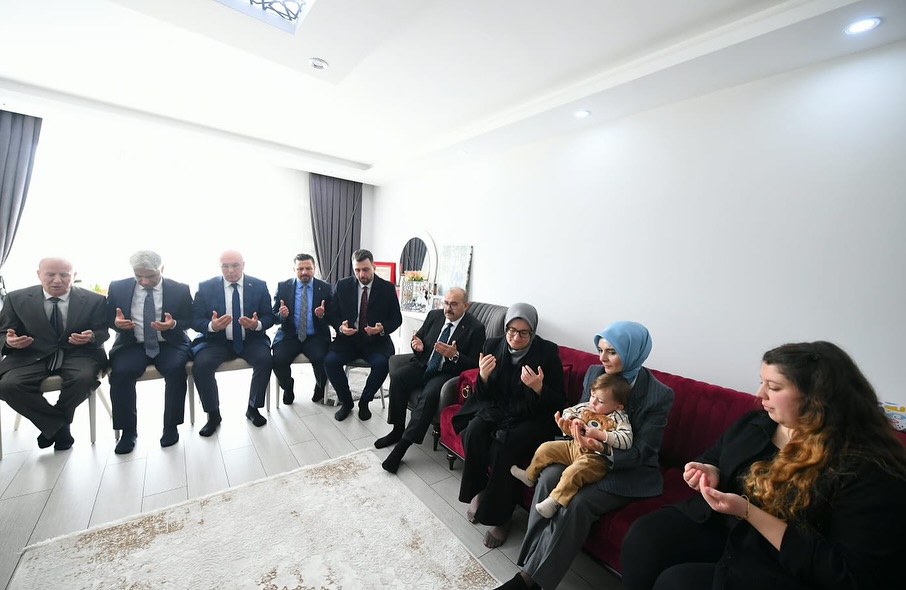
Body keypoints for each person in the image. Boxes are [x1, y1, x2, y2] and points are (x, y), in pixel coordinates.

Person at [620, 341, 906, 590]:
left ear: (818, 398)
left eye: (774, 387)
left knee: (678, 583)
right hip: (729, 526)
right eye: (762, 382)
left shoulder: (866, 470)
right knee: (646, 537)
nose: (759, 393)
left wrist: (748, 511)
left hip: (785, 558)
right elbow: (714, 456)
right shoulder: (757, 422)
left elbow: (850, 575)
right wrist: (708, 471)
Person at [499, 320, 674, 590]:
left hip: (625, 468)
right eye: (600, 350)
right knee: (548, 477)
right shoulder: (595, 372)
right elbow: (584, 413)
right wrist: (572, 427)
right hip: (583, 451)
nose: (602, 358)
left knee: (577, 502)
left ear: (633, 352)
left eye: (611, 352)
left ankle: (529, 582)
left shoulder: (658, 394)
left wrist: (602, 447)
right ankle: (529, 563)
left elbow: (643, 452)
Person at [452, 303, 564, 549]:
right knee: (474, 430)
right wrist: (482, 377)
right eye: (511, 330)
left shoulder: (546, 352)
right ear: (505, 328)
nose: (516, 337)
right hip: (499, 408)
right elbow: (484, 394)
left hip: (532, 417)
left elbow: (558, 402)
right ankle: (480, 491)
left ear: (533, 332)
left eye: (524, 332)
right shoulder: (493, 345)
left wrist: (539, 388)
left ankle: (502, 517)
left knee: (504, 446)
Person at [0, 257, 108, 451]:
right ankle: (59, 427)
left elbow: (103, 332)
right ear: (39, 275)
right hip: (31, 353)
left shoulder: (95, 300)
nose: (57, 280)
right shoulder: (15, 299)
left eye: (64, 275)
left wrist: (91, 336)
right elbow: (3, 333)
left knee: (83, 379)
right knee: (8, 385)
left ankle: (53, 426)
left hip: (78, 353)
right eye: (50, 274)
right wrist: (9, 341)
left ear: (74, 275)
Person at [377, 287, 486, 473]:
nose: (448, 308)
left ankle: (403, 446)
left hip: (445, 373)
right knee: (398, 377)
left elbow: (476, 364)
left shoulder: (475, 328)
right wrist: (417, 345)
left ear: (465, 305)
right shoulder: (434, 316)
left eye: (454, 304)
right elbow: (418, 338)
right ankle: (397, 430)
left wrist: (454, 355)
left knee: (428, 395)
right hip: (424, 364)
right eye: (446, 303)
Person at [511, 372, 632, 518]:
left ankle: (554, 501)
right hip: (573, 446)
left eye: (600, 401)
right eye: (592, 395)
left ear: (618, 406)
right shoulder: (588, 406)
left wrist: (601, 435)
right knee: (545, 448)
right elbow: (568, 411)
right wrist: (572, 420)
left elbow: (626, 440)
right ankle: (530, 476)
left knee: (574, 472)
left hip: (595, 458)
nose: (593, 402)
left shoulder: (619, 418)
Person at [106, 250, 193, 453]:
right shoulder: (118, 287)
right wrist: (116, 323)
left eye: (151, 276)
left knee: (176, 369)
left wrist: (173, 324)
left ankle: (171, 427)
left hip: (169, 342)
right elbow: (107, 318)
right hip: (132, 343)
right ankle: (128, 431)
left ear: (162, 269)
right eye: (139, 276)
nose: (144, 281)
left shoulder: (180, 289)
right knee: (121, 373)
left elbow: (190, 319)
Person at [191, 250, 275, 436]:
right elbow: (195, 320)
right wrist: (211, 326)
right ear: (219, 266)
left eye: (235, 265)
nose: (230, 270)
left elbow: (269, 316)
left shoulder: (259, 285)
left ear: (243, 265)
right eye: (225, 266)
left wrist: (256, 324)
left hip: (251, 339)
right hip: (216, 341)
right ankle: (213, 415)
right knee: (201, 365)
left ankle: (253, 408)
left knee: (265, 360)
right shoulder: (206, 287)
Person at [324, 249, 402, 422]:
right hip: (348, 340)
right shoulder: (343, 285)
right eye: (357, 270)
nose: (361, 274)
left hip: (376, 341)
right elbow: (332, 314)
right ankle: (346, 402)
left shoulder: (387, 288)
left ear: (374, 267)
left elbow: (396, 319)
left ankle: (365, 401)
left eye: (365, 269)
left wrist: (382, 328)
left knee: (382, 364)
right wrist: (340, 327)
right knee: (330, 361)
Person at [271, 253, 333, 404]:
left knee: (323, 360)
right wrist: (281, 315)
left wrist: (322, 315)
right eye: (300, 269)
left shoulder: (325, 288)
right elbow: (273, 316)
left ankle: (319, 388)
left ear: (314, 268)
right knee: (277, 361)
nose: (304, 272)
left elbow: (333, 316)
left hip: (316, 336)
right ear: (294, 269)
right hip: (289, 335)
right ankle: (288, 386)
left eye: (308, 268)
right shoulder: (283, 287)